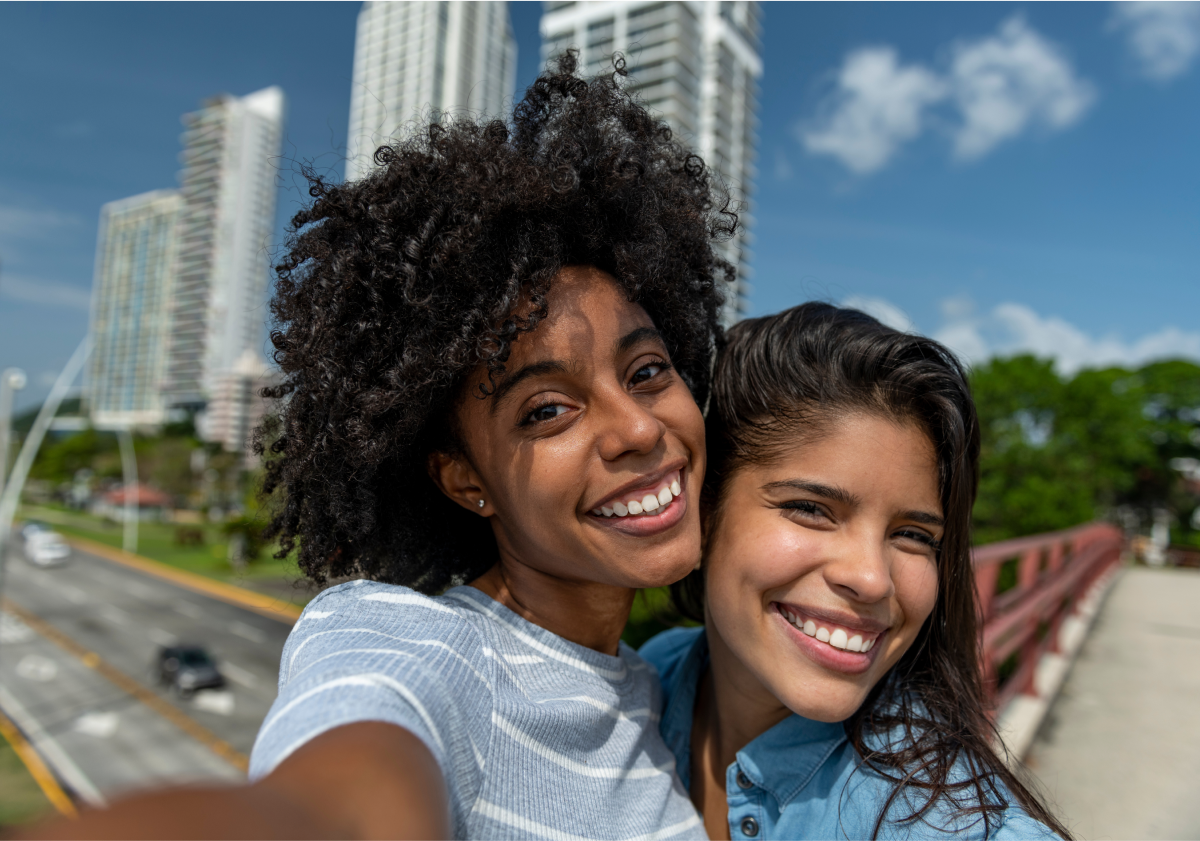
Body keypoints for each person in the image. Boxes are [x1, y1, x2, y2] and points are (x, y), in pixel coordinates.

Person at [14, 55, 732, 841]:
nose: (636, 428)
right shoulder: (416, 649)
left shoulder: (660, 684)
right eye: (548, 410)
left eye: (649, 370)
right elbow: (330, 800)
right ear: (465, 480)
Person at [641, 303, 1074, 841]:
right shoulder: (649, 679)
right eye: (811, 509)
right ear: (704, 511)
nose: (873, 579)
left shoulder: (953, 828)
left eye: (914, 536)